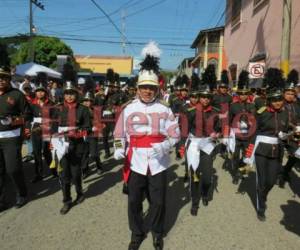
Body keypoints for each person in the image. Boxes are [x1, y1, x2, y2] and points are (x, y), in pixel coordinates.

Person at [114, 42, 179, 250]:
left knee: (158, 202)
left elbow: (175, 133)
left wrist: (164, 146)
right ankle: (137, 232)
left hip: (158, 160)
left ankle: (157, 233)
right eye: (144, 87)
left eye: (151, 88)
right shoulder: (129, 108)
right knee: (134, 201)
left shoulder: (165, 109)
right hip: (135, 160)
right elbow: (119, 133)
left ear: (157, 89)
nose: (147, 91)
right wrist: (118, 147)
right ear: (138, 88)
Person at [244, 88, 289, 221]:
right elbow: (252, 132)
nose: (277, 103)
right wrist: (249, 153)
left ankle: (262, 195)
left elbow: (287, 130)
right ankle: (261, 207)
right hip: (261, 150)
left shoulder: (285, 114)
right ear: (269, 101)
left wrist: (288, 135)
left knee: (271, 180)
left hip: (277, 150)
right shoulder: (261, 113)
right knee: (262, 180)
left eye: (279, 100)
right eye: (274, 100)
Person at [51, 82, 91, 215]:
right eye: (67, 93)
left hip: (77, 145)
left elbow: (88, 128)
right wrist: (53, 140)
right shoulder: (57, 109)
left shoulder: (83, 110)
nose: (69, 96)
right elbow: (52, 127)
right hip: (61, 145)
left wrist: (77, 133)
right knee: (64, 175)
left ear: (76, 94)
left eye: (72, 93)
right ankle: (66, 200)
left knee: (75, 173)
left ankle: (79, 193)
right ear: (64, 95)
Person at [186, 85, 220, 216]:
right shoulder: (191, 111)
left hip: (207, 145)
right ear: (199, 98)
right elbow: (184, 129)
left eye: (208, 97)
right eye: (203, 97)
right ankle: (195, 203)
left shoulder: (215, 112)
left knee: (206, 177)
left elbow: (220, 128)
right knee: (194, 176)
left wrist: (216, 134)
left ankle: (205, 192)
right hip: (194, 145)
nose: (205, 99)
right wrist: (184, 147)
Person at [0, 67, 30, 211]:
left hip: (11, 137)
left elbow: (28, 115)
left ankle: (22, 193)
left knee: (13, 168)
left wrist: (13, 120)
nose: (1, 80)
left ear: (9, 79)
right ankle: (1, 201)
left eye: (4, 77)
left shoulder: (17, 94)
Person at [229, 83, 256, 184]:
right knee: (235, 156)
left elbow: (255, 121)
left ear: (248, 95)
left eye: (245, 94)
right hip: (236, 135)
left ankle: (241, 170)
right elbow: (229, 120)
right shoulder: (233, 106)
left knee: (246, 155)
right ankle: (235, 174)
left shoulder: (252, 106)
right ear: (238, 95)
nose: (243, 96)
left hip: (248, 135)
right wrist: (227, 134)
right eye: (241, 94)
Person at [30, 84, 54, 183]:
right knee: (36, 152)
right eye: (38, 91)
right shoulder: (32, 104)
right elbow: (28, 117)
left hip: (47, 128)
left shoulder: (51, 104)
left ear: (46, 92)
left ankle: (53, 170)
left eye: (42, 91)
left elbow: (55, 117)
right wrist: (28, 128)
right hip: (35, 129)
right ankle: (38, 174)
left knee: (47, 151)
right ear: (35, 93)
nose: (40, 93)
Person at [81, 91, 103, 178]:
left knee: (94, 153)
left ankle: (99, 166)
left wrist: (100, 131)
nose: (87, 102)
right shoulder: (78, 111)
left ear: (92, 102)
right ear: (82, 102)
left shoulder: (95, 111)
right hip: (81, 134)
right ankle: (85, 170)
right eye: (85, 101)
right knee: (84, 154)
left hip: (92, 134)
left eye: (89, 101)